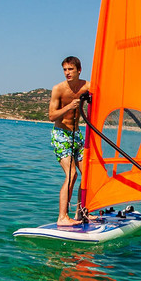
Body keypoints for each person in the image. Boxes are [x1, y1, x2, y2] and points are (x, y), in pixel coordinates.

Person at [45, 56, 89, 227]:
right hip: (61, 135)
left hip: (77, 135)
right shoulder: (58, 89)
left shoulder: (87, 86)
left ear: (79, 70)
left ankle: (81, 213)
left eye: (70, 69)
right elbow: (51, 116)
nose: (67, 73)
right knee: (72, 174)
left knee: (87, 175)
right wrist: (69, 107)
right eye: (65, 70)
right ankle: (62, 216)